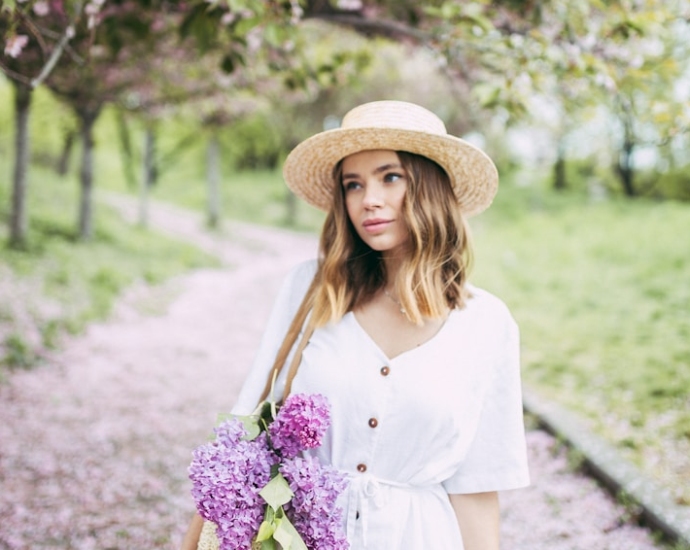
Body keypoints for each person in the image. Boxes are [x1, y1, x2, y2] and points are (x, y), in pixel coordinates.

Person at [181, 100, 530, 550]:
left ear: (429, 186)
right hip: (299, 536)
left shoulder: (486, 323)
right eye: (353, 184)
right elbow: (246, 435)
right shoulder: (310, 291)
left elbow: (478, 486)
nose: (369, 200)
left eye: (390, 177)